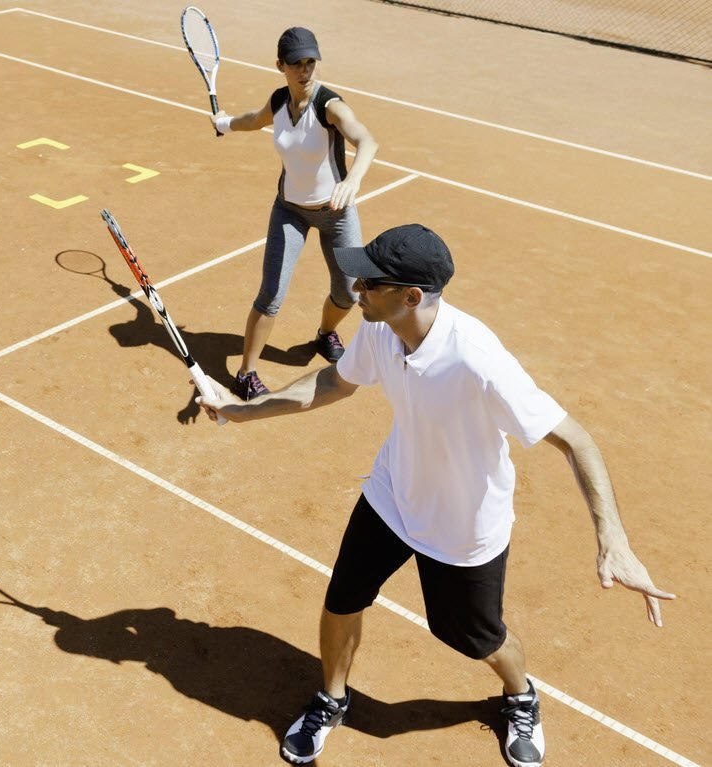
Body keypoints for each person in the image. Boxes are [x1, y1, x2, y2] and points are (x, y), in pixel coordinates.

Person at [195, 224, 674, 767]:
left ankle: (521, 695)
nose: (356, 290)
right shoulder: (381, 327)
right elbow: (333, 384)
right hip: (393, 493)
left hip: (463, 523)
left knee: (473, 635)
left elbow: (576, 440)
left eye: (369, 283)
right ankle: (332, 697)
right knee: (343, 599)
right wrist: (243, 410)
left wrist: (613, 537)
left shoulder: (478, 361)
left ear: (411, 296)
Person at [211, 26, 380, 400]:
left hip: (337, 213)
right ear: (280, 66)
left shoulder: (329, 105)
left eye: (310, 62)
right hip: (289, 211)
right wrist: (223, 123)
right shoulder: (278, 101)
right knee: (271, 293)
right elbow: (254, 120)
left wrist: (352, 180)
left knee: (352, 291)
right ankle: (245, 373)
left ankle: (324, 334)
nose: (306, 71)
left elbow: (366, 140)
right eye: (297, 64)